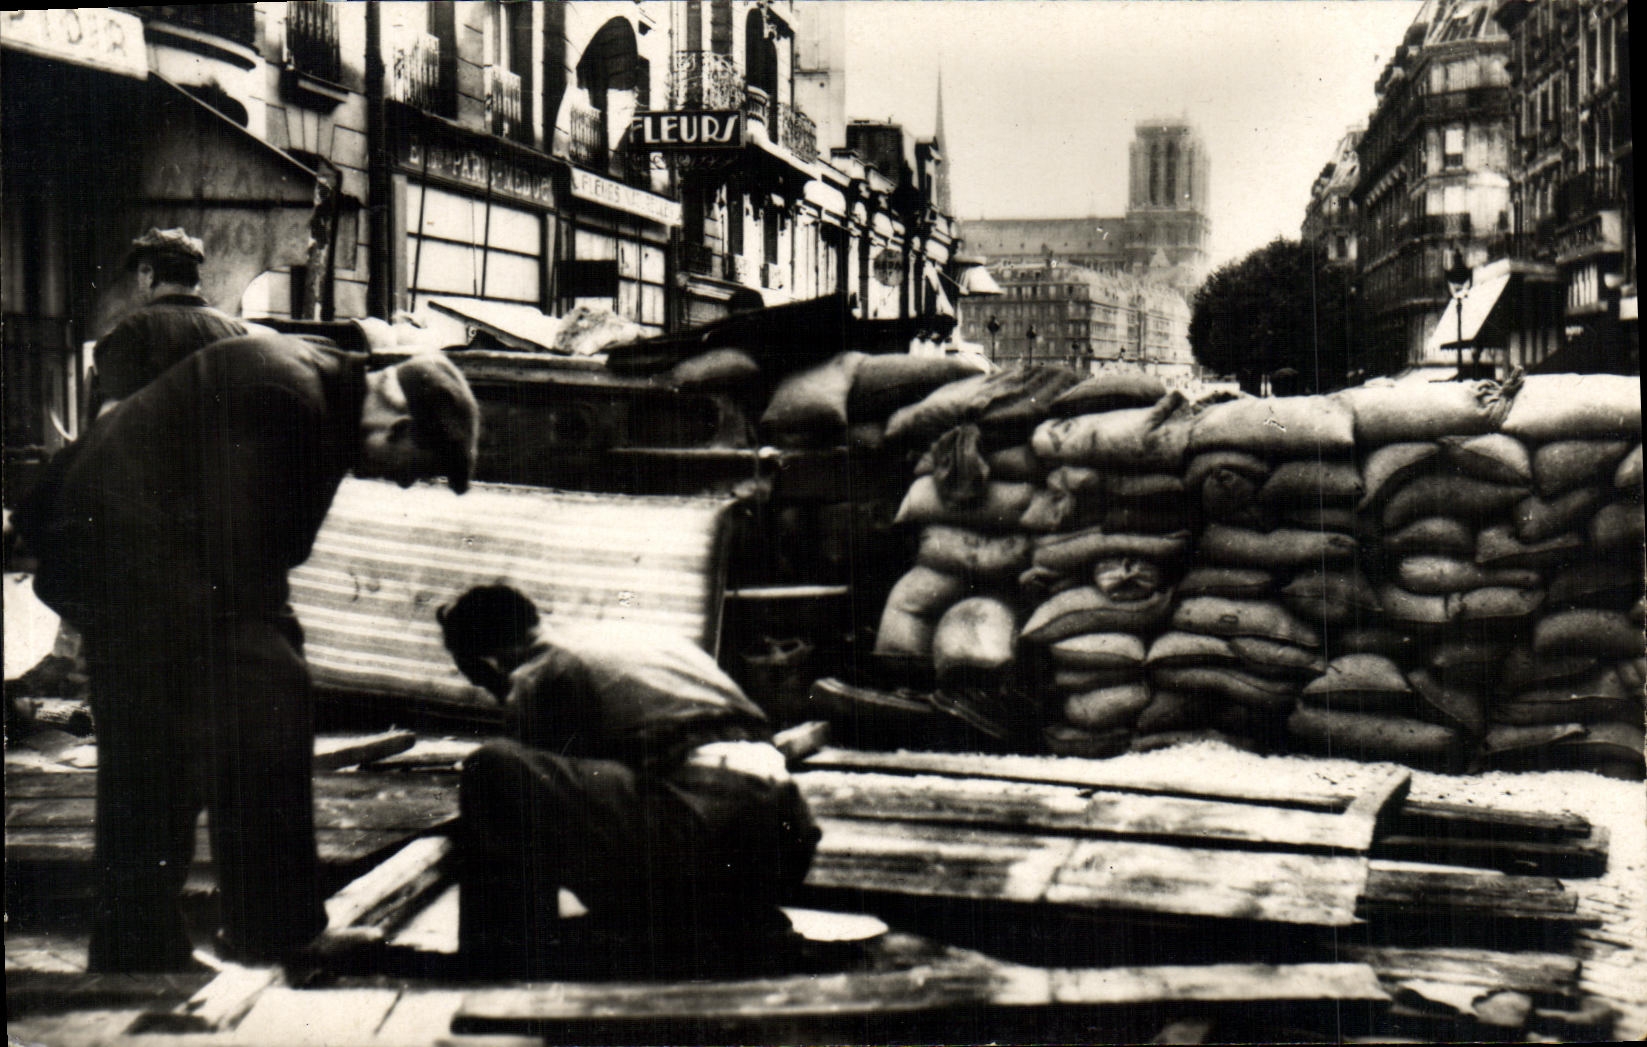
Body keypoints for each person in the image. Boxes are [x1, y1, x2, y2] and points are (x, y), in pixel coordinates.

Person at [11, 331, 481, 973]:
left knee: (163, 755)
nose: (405, 486)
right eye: (418, 471)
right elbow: (242, 556)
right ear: (399, 427)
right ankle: (273, 931)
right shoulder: (291, 401)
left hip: (132, 563)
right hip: (132, 567)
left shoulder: (310, 388)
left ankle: (140, 947)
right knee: (258, 714)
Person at [437, 584, 821, 978]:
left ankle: (502, 962)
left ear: (487, 663)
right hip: (787, 837)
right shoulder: (631, 637)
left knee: (493, 769)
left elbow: (540, 819)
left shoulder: (542, 671)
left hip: (703, 833)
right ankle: (710, 927)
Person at [89, 227, 248, 416]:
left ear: (148, 274)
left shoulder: (134, 329)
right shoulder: (235, 331)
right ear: (195, 278)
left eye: (140, 272)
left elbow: (111, 415)